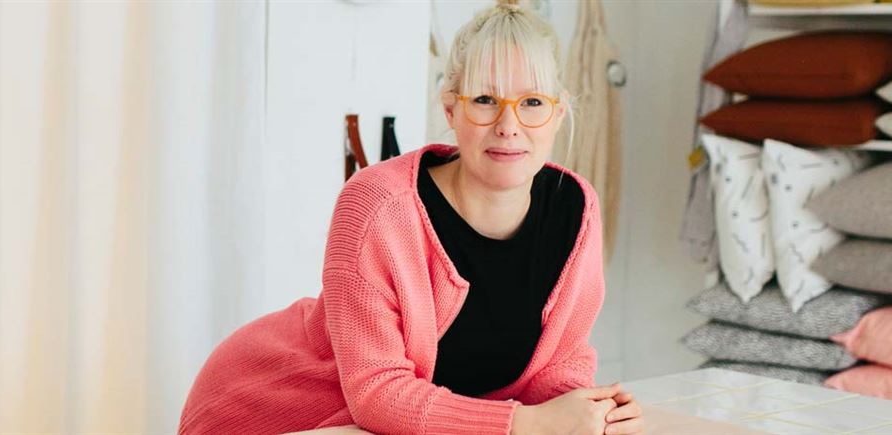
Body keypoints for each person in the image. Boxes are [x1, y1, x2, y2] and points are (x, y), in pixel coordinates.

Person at [177, 1, 642, 433]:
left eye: (532, 102)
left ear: (558, 114)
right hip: (279, 412)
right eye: (484, 100)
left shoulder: (574, 207)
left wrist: (588, 410)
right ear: (450, 109)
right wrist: (528, 424)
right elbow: (377, 394)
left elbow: (559, 361)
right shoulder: (377, 204)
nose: (509, 124)